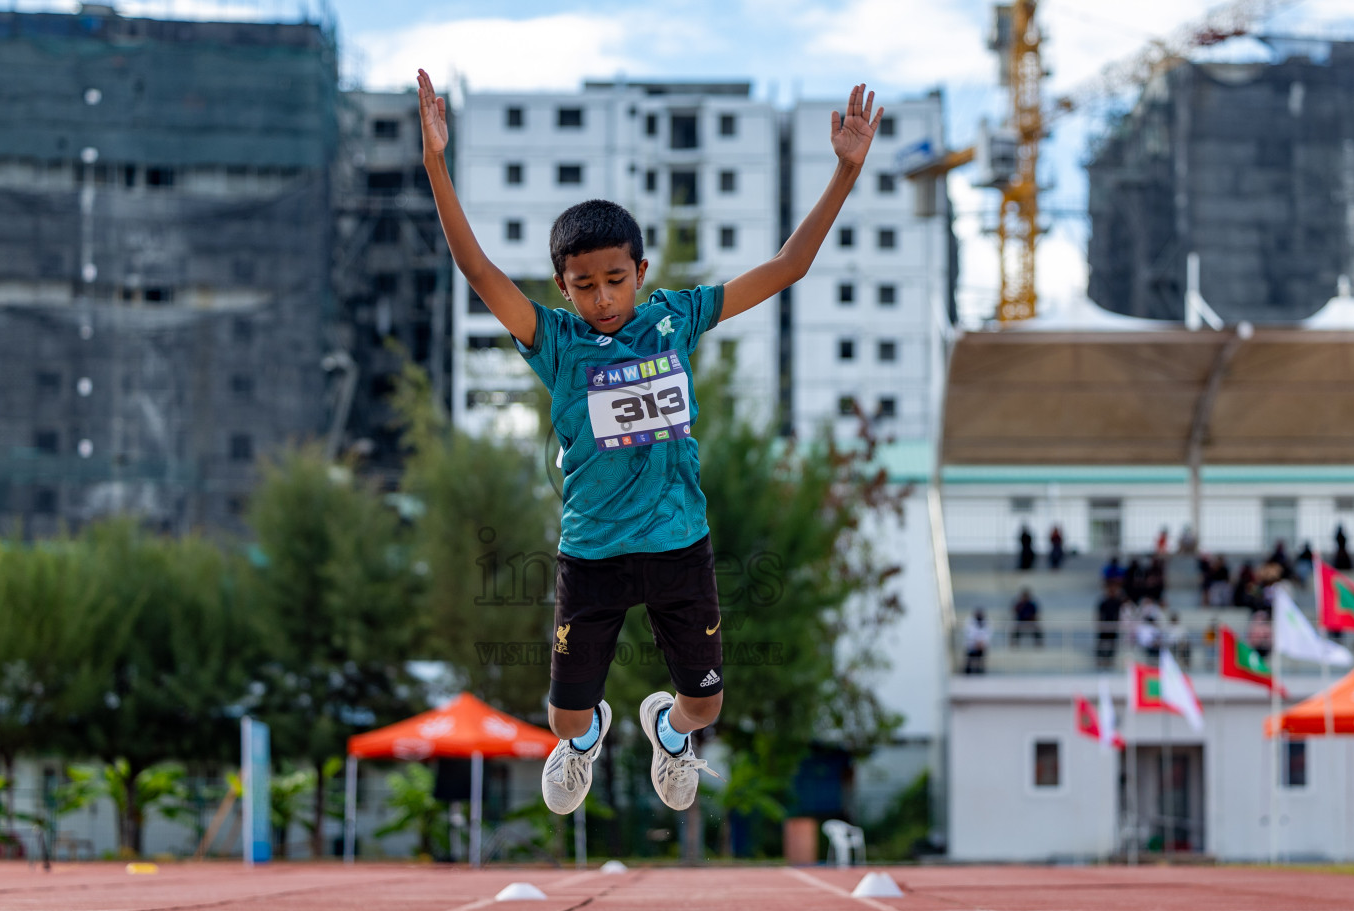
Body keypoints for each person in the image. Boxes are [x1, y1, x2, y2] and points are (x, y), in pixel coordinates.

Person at [416, 71, 890, 815]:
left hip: (678, 545)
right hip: (593, 551)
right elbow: (476, 269)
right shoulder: (557, 341)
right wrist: (437, 164)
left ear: (640, 273)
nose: (602, 298)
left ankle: (668, 730)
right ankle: (590, 733)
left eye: (614, 280)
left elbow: (789, 266)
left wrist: (845, 170)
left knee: (705, 708)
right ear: (562, 286)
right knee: (563, 717)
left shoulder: (675, 318)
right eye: (584, 285)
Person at [1095, 582, 1125, 668]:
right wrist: (1100, 624)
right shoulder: (1103, 602)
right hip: (1104, 626)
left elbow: (1121, 613)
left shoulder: (1118, 602)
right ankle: (1100, 658)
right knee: (1101, 643)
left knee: (1112, 643)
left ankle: (1110, 659)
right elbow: (1099, 614)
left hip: (1113, 626)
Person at [964, 608, 992, 674]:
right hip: (972, 645)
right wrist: (976, 642)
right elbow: (968, 632)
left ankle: (980, 671)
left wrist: (981, 642)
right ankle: (968, 671)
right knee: (970, 659)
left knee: (981, 659)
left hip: (981, 645)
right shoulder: (969, 621)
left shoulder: (986, 622)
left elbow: (988, 633)